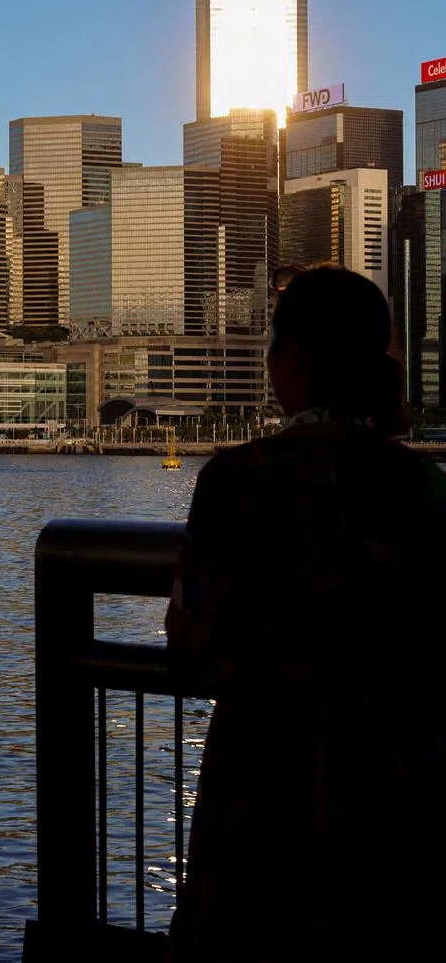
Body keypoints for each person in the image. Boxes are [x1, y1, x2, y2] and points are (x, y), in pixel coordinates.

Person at [166, 266, 446, 961]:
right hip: (394, 789)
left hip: (259, 788)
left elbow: (190, 633)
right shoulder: (421, 485)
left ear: (291, 361)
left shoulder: (234, 479)